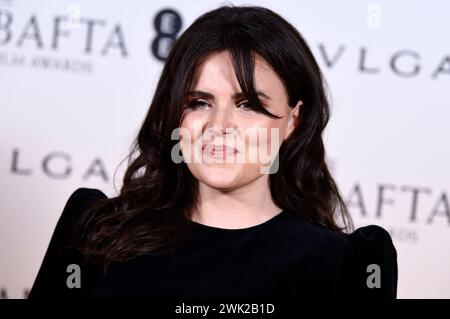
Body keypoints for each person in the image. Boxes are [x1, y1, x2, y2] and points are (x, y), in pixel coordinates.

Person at [28, 5, 397, 300]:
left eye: (249, 104)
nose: (220, 125)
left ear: (293, 121)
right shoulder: (94, 234)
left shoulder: (346, 267)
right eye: (200, 102)